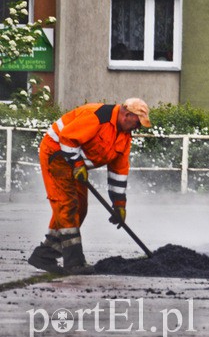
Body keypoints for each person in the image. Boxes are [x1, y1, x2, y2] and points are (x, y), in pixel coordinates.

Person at [27, 98, 152, 275]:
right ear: (127, 115)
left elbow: (119, 171)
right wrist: (77, 164)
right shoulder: (97, 116)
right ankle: (74, 262)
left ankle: (45, 254)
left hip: (74, 161)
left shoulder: (124, 136)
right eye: (137, 122)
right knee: (67, 205)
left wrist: (119, 205)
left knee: (80, 208)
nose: (137, 127)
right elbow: (67, 137)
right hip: (56, 154)